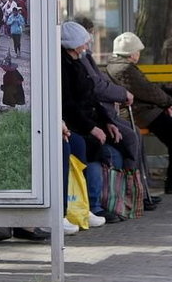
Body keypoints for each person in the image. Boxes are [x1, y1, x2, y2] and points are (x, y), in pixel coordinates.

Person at [73, 16, 161, 210]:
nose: (91, 40)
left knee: (133, 134)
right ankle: (131, 190)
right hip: (96, 114)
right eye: (90, 34)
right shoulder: (80, 59)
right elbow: (96, 87)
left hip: (102, 112)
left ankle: (137, 189)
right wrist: (122, 94)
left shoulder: (85, 57)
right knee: (130, 136)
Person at [106, 32, 172, 195]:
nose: (139, 54)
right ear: (131, 53)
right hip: (139, 114)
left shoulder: (117, 65)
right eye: (137, 51)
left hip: (141, 111)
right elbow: (148, 91)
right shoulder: (125, 68)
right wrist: (168, 102)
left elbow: (144, 90)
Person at [60, 21, 126, 224]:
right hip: (77, 124)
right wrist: (92, 128)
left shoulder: (77, 63)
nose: (87, 48)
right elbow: (68, 104)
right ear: (72, 45)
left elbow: (91, 96)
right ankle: (92, 205)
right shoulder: (63, 67)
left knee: (109, 150)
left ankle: (94, 204)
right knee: (94, 151)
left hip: (88, 121)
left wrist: (106, 121)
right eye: (84, 43)